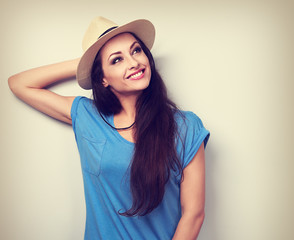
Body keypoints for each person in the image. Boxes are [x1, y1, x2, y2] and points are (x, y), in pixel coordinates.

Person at [8, 16, 210, 240]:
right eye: (117, 60)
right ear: (102, 78)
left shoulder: (185, 126)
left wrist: (106, 58)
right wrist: (85, 63)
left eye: (136, 51)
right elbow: (19, 83)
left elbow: (193, 214)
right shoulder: (87, 116)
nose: (134, 63)